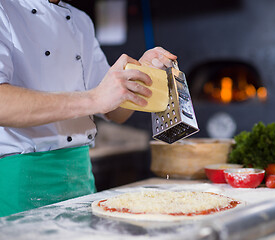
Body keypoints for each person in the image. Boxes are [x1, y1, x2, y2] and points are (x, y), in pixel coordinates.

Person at [0, 0, 177, 217]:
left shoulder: (81, 20)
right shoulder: (5, 10)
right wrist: (94, 99)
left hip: (80, 176)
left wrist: (142, 76)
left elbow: (114, 112)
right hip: (21, 182)